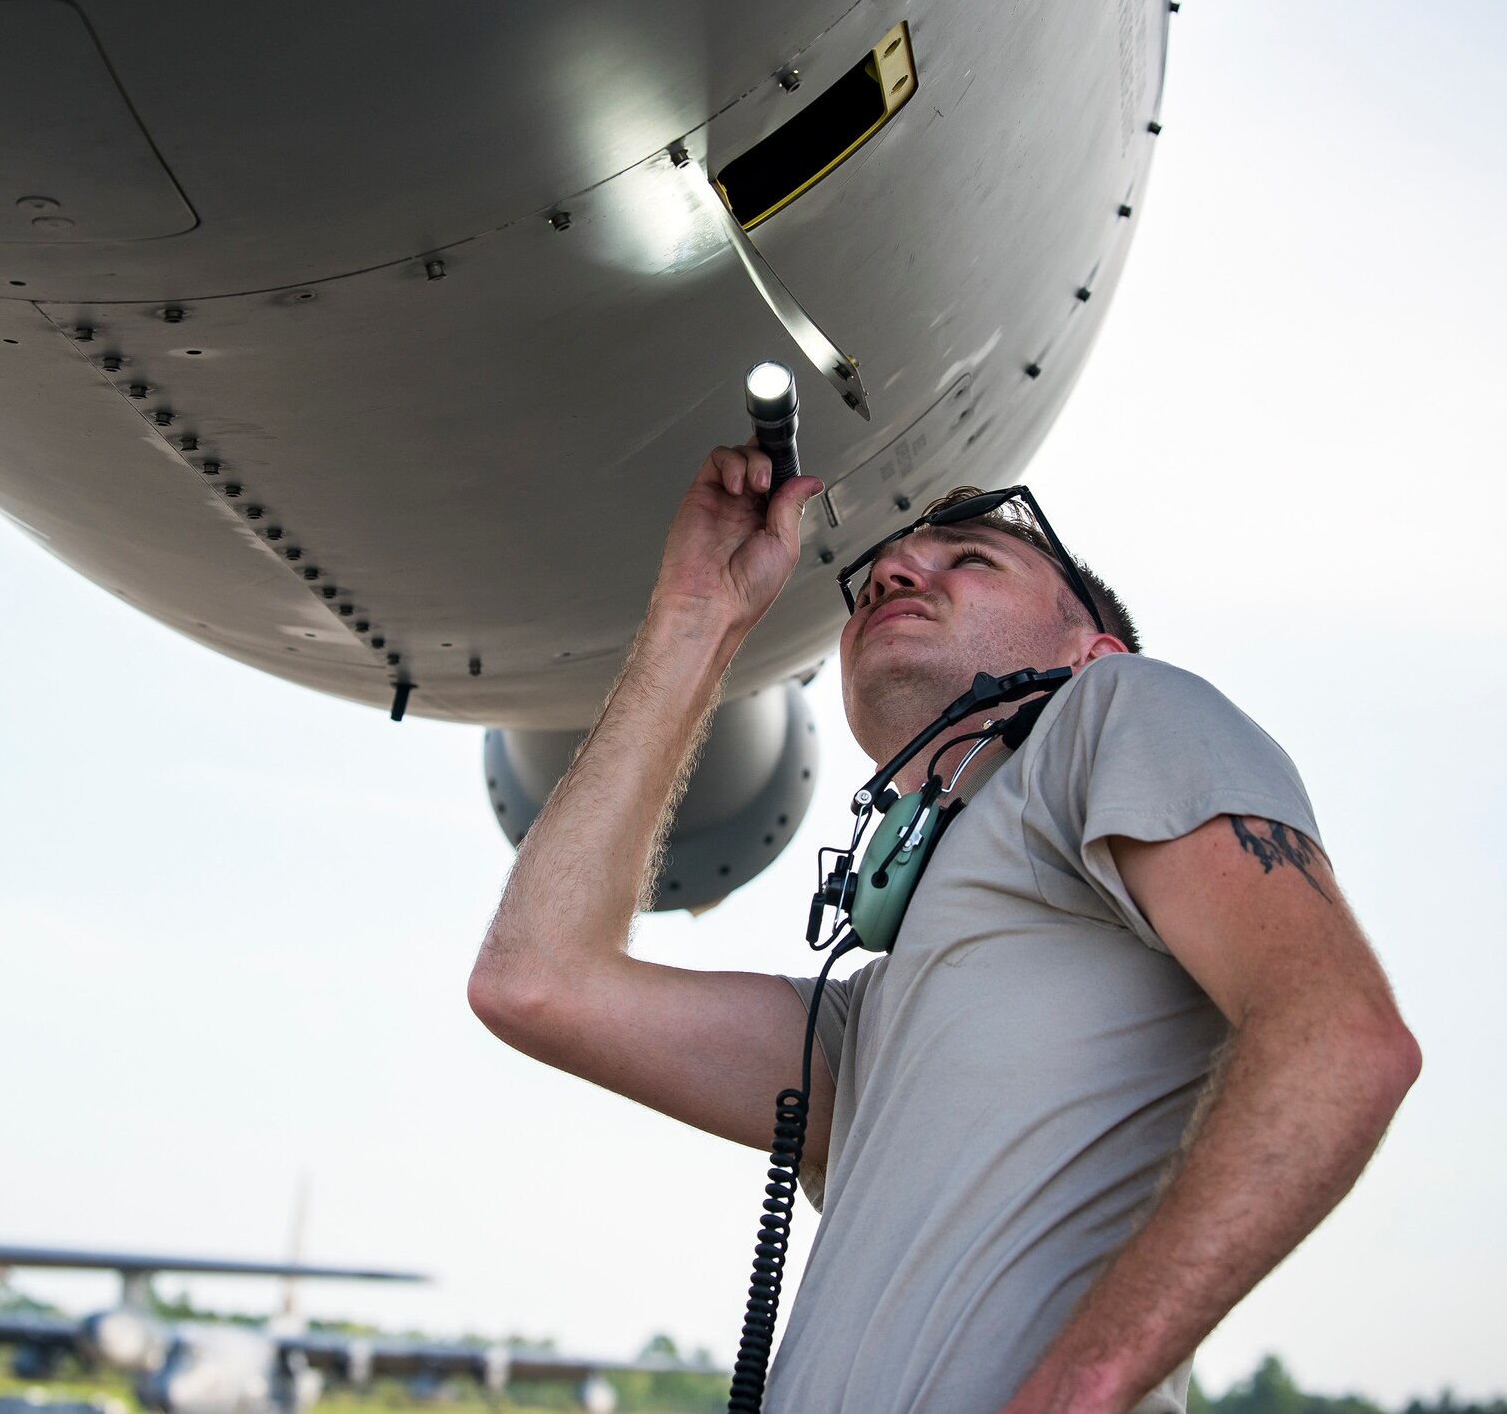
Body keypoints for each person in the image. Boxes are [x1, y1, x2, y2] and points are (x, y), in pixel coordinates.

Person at [466, 446, 1420, 1414]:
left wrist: (1079, 1389)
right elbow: (535, 980)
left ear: (1090, 652)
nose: (891, 570)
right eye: (886, 569)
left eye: (970, 558)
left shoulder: (1118, 705)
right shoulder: (868, 1023)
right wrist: (695, 616)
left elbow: (1338, 1040)